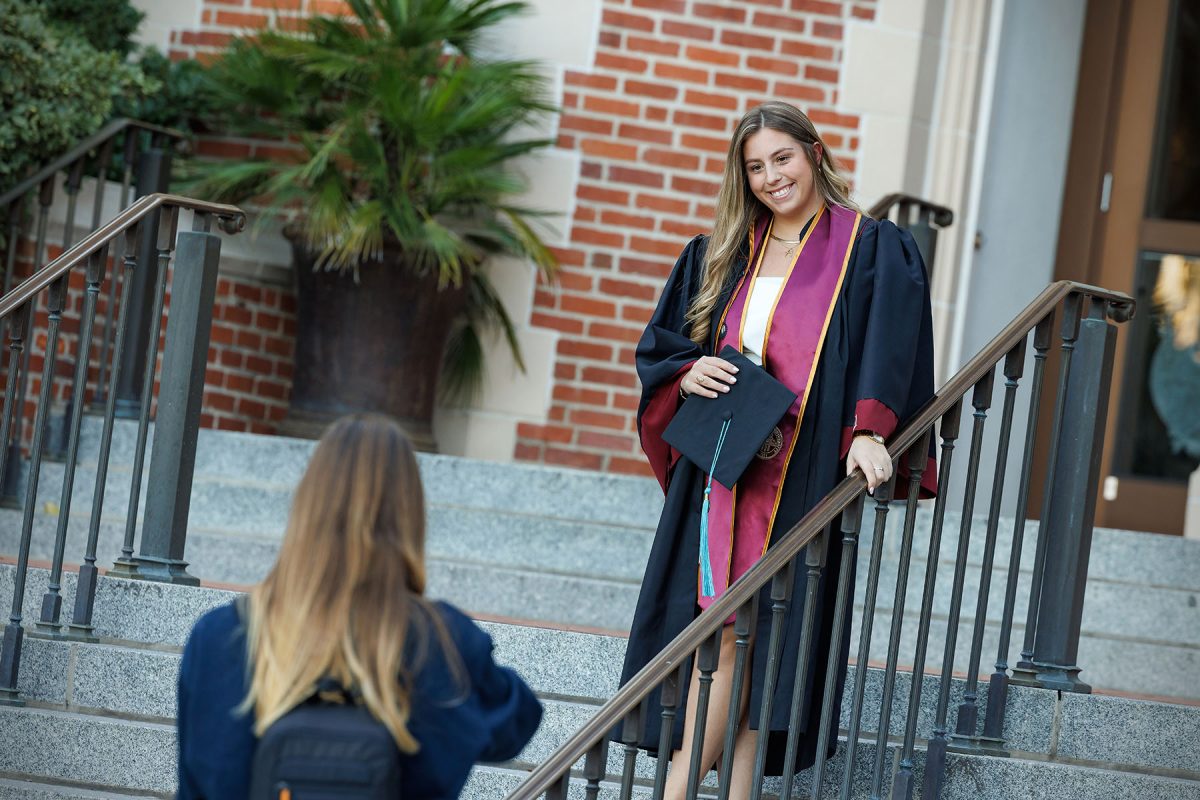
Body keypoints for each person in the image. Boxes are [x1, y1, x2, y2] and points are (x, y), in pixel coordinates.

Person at [620, 101, 937, 797]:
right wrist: (687, 370)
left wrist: (869, 432)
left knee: (766, 643)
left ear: (814, 153)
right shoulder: (723, 253)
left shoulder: (870, 247)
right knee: (733, 634)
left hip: (805, 468)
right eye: (756, 167)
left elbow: (890, 347)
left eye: (782, 159)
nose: (771, 177)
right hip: (728, 472)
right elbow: (667, 347)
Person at [176, 414, 543, 799]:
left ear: (306, 507)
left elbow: (193, 785)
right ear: (409, 517)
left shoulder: (219, 637)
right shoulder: (443, 641)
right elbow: (518, 722)